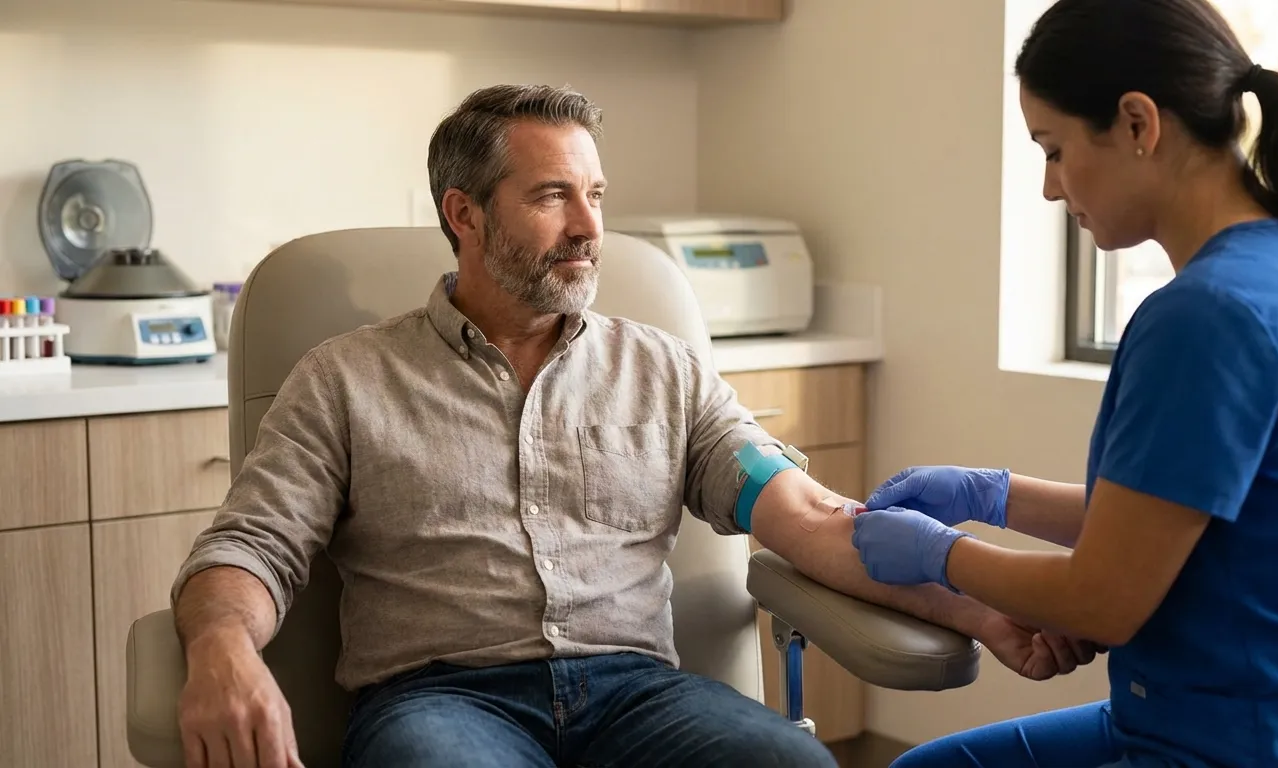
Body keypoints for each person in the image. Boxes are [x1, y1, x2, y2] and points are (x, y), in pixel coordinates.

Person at [169, 83, 1091, 768]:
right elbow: (250, 546)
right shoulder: (346, 379)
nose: (587, 228)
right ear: (464, 215)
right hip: (443, 704)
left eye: (596, 196)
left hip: (638, 695)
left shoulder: (662, 370)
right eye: (549, 197)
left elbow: (809, 520)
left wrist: (981, 608)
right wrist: (219, 647)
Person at [851, 0, 1278, 766]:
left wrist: (940, 555)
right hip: (1269, 716)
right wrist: (992, 495)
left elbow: (1104, 600)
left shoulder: (1208, 316)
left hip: (1245, 743)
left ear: (1138, 124)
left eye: (1054, 149)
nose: (1050, 189)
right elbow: (1164, 518)